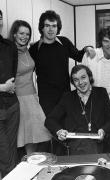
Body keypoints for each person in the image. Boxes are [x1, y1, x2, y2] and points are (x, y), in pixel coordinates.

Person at [29, 10, 94, 117]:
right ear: (42, 27)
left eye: (54, 26)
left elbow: (78, 55)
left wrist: (87, 47)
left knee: (67, 127)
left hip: (65, 95)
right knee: (50, 128)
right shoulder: (35, 48)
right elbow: (28, 70)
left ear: (57, 28)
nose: (51, 29)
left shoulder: (64, 42)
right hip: (46, 98)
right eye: (47, 26)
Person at [45, 64, 110, 155]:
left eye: (83, 77)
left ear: (89, 77)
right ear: (73, 83)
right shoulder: (67, 97)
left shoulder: (101, 93)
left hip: (98, 143)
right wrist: (59, 131)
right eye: (76, 80)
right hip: (75, 144)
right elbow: (50, 120)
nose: (80, 82)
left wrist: (103, 130)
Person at [8, 20, 51, 155]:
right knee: (20, 136)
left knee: (35, 134)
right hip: (17, 98)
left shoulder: (28, 49)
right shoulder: (8, 51)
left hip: (32, 96)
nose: (24, 36)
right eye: (21, 33)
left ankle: (30, 163)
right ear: (14, 34)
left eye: (27, 34)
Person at [0, 10, 20, 178]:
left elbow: (12, 74)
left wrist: (9, 87)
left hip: (12, 105)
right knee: (5, 154)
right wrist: (2, 88)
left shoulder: (9, 45)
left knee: (12, 151)